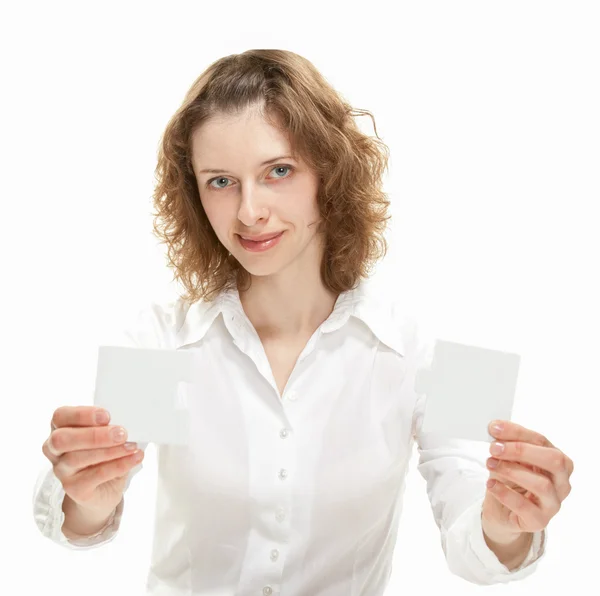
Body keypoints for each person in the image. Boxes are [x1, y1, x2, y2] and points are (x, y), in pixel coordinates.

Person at [32, 49, 574, 595]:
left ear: (329, 171)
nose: (249, 211)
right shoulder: (159, 340)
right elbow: (76, 520)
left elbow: (475, 541)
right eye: (220, 181)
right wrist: (87, 496)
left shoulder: (436, 343)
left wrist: (508, 524)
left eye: (278, 171)